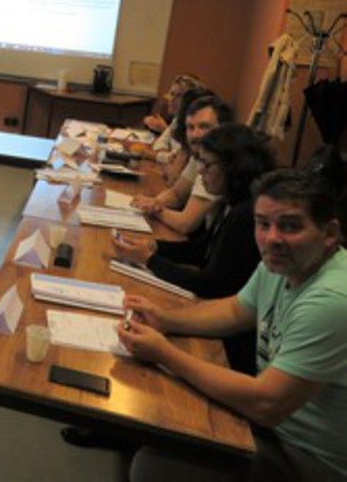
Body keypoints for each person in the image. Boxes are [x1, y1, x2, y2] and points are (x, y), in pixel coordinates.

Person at [120, 169, 347, 481]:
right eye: (263, 224)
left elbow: (266, 404)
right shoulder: (282, 263)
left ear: (330, 233)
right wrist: (165, 319)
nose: (272, 238)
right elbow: (234, 311)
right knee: (159, 410)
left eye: (290, 226)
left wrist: (165, 354)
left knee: (154, 467)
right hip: (274, 428)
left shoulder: (333, 299)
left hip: (306, 458)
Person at [113, 124, 275, 374]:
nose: (200, 171)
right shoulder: (231, 201)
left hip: (229, 342)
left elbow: (210, 283)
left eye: (207, 165)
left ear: (233, 167)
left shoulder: (245, 214)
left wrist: (151, 260)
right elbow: (203, 250)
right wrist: (154, 246)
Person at [133, 94, 233, 235]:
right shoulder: (199, 155)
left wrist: (154, 209)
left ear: (223, 128)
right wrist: (154, 202)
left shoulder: (218, 165)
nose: (195, 134)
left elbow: (186, 223)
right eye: (190, 127)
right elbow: (177, 194)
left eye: (204, 126)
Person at [146, 74, 205, 166]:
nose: (172, 99)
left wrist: (155, 155)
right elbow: (159, 144)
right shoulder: (177, 119)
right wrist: (165, 155)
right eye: (172, 94)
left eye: (179, 96)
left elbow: (178, 161)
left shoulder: (194, 126)